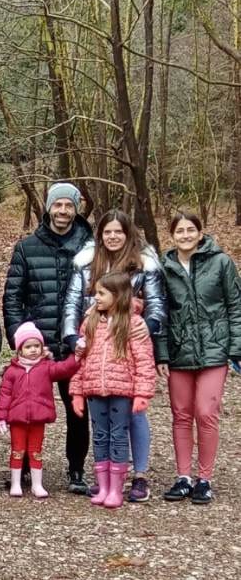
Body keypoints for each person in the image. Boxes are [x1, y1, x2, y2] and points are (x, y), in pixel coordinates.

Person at [61, 210, 166, 503]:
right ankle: (105, 480)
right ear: (100, 235)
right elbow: (72, 302)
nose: (113, 236)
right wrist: (74, 338)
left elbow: (157, 304)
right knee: (103, 425)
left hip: (126, 346)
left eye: (118, 231)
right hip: (93, 342)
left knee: (134, 416)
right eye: (107, 232)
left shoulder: (144, 264)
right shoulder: (85, 264)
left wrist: (145, 326)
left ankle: (139, 475)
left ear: (128, 233)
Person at [2, 181, 93, 491]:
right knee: (25, 409)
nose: (63, 211)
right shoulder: (27, 248)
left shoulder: (90, 246)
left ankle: (76, 470)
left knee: (78, 410)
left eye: (68, 205)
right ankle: (23, 466)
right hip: (34, 345)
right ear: (48, 208)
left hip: (73, 344)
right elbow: (12, 298)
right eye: (58, 205)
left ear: (76, 209)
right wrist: (20, 340)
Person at [160, 210, 241, 505]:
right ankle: (183, 477)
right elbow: (161, 312)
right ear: (173, 235)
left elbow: (235, 306)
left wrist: (236, 348)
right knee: (181, 414)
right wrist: (162, 353)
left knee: (206, 413)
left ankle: (204, 478)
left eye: (190, 230)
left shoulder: (221, 263)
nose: (185, 235)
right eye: (179, 231)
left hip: (214, 351)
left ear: (200, 232)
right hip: (179, 351)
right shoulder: (164, 267)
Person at [70, 271, 157, 509]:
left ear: (117, 296)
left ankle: (117, 488)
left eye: (101, 293)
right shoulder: (90, 322)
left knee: (118, 436)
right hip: (94, 390)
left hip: (122, 391)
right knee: (100, 436)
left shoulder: (134, 324)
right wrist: (77, 392)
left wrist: (142, 393)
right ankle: (104, 485)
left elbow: (144, 361)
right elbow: (81, 359)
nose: (95, 297)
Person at [0, 322, 78, 499]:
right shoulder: (11, 371)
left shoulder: (47, 367)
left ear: (42, 347)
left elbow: (64, 369)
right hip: (17, 418)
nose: (33, 350)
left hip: (38, 418)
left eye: (36, 346)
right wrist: (0, 417)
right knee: (17, 450)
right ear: (19, 349)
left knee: (36, 450)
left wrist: (76, 356)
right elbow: (4, 395)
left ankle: (37, 484)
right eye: (28, 346)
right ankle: (16, 483)